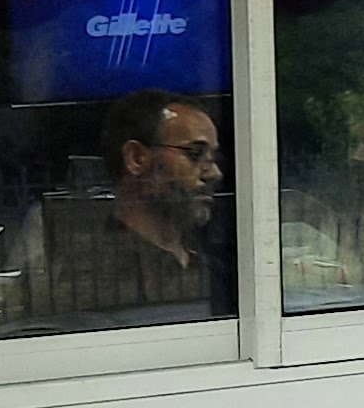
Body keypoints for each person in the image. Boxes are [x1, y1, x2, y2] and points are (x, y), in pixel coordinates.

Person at [24, 90, 233, 322]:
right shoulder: (86, 275)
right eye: (195, 153)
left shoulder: (214, 273)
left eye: (213, 158)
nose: (214, 173)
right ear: (137, 158)